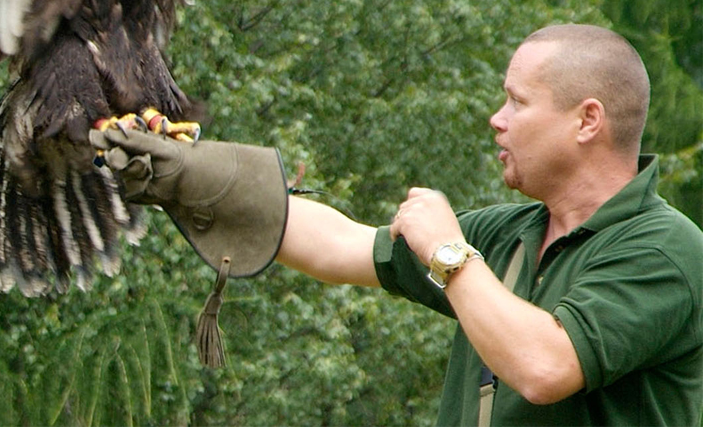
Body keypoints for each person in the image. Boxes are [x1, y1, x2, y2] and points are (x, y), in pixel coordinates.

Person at [92, 24, 703, 425]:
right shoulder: (506, 234)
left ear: (587, 120)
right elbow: (340, 245)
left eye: (517, 101)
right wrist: (190, 174)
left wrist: (446, 249)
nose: (497, 119)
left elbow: (545, 366)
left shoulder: (664, 249)